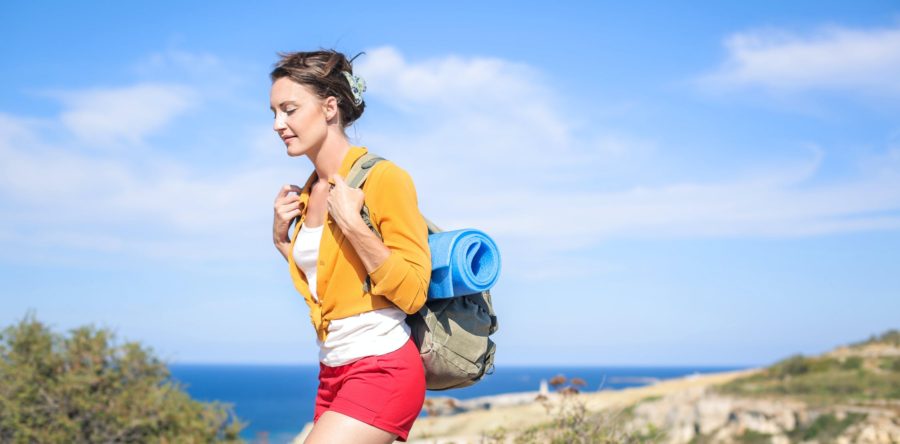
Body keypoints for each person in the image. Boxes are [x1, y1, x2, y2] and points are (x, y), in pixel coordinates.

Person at [269, 50, 431, 444]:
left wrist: (355, 227)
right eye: (273, 112)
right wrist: (281, 241)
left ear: (329, 107)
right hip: (332, 373)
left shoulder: (384, 179)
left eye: (289, 109)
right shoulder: (308, 194)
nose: (278, 124)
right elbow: (332, 280)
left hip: (383, 368)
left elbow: (412, 293)